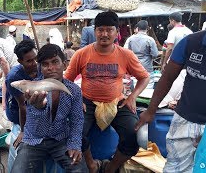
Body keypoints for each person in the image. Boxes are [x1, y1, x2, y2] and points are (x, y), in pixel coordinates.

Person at [65, 11, 150, 173]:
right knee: (75, 133)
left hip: (117, 102)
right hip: (87, 102)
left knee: (134, 135)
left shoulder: (126, 55)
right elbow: (67, 81)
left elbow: (144, 77)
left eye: (109, 30)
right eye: (100, 29)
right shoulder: (81, 54)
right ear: (94, 31)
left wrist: (133, 96)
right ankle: (91, 164)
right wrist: (76, 99)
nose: (104, 34)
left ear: (117, 32)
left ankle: (111, 167)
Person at [135, 30, 206, 173]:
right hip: (185, 120)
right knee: (175, 168)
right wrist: (151, 110)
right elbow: (167, 78)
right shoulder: (190, 42)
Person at [11, 44, 87, 172]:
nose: (51, 68)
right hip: (33, 140)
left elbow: (77, 120)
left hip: (60, 139)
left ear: (64, 64)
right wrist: (39, 107)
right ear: (40, 67)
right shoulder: (32, 88)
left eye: (55, 62)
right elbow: (34, 120)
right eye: (45, 64)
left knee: (80, 170)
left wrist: (74, 144)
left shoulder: (74, 90)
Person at [5, 39, 41, 171]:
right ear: (20, 61)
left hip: (36, 107)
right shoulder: (14, 77)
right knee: (19, 146)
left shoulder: (41, 67)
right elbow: (22, 105)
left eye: (36, 58)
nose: (35, 63)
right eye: (29, 61)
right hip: (18, 111)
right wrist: (23, 131)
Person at [126, 20, 159, 89]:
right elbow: (155, 54)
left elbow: (127, 53)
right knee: (148, 86)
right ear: (147, 29)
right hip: (147, 67)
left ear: (137, 28)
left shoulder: (130, 39)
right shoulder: (150, 40)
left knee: (136, 86)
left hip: (134, 66)